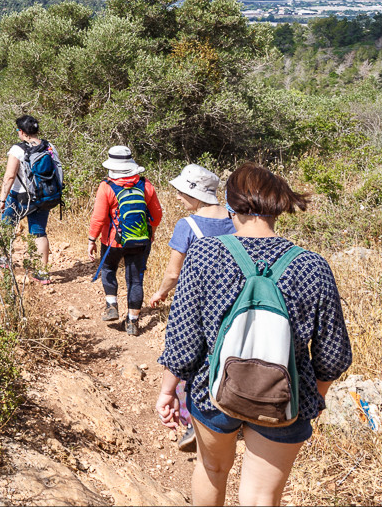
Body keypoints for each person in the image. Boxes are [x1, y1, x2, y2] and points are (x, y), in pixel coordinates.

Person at [156, 163, 351, 507]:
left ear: (229, 206)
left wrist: (168, 390)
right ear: (278, 208)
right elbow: (332, 356)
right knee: (261, 497)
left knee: (212, 468)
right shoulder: (312, 265)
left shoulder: (205, 254)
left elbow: (183, 343)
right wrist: (313, 398)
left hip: (211, 391)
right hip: (286, 397)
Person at [146, 163, 235, 453]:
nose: (177, 197)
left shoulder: (189, 225)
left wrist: (160, 293)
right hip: (234, 301)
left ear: (195, 194)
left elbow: (174, 272)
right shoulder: (237, 220)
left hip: (195, 303)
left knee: (189, 358)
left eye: (181, 191)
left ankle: (191, 420)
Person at [86, 145, 163, 336]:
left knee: (109, 269)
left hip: (112, 241)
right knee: (135, 280)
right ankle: (133, 322)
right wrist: (148, 233)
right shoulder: (146, 185)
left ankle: (111, 306)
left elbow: (99, 218)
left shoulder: (106, 187)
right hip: (140, 240)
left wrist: (91, 239)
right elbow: (157, 215)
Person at [0, 114, 61, 283]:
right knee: (39, 233)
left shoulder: (17, 149)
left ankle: (4, 261)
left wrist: (2, 199)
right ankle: (43, 272)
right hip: (43, 196)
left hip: (20, 197)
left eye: (18, 130)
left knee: (6, 226)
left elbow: (10, 176)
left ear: (22, 132)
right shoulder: (49, 146)